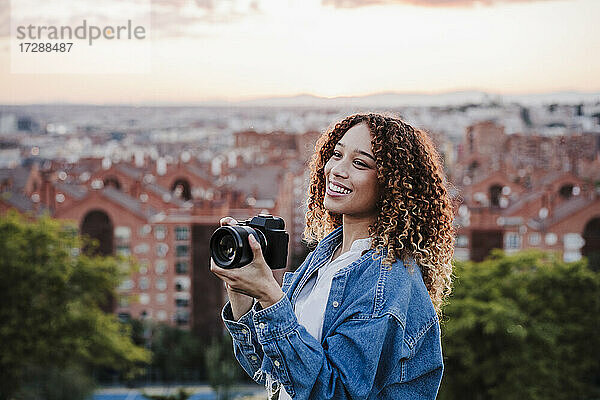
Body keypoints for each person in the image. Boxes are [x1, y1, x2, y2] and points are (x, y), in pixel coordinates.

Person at [210, 113, 455, 399]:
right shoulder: (326, 256)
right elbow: (272, 368)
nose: (337, 169)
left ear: (392, 185)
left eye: (360, 163)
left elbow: (334, 393)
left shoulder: (386, 281)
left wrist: (270, 297)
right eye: (337, 154)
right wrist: (240, 292)